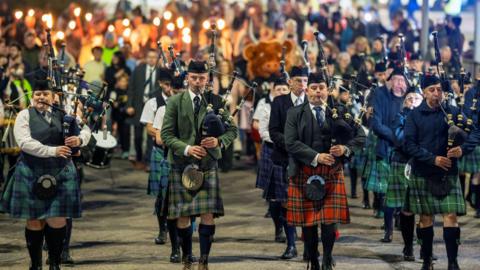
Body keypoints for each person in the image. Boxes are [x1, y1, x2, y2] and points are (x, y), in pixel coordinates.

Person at [0, 77, 91, 270]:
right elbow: (24, 142)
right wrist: (53, 150)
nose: (41, 97)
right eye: (37, 94)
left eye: (45, 94)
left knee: (57, 218)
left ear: (53, 97)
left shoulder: (65, 114)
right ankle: (36, 265)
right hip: (31, 171)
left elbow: (86, 129)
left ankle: (55, 263)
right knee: (34, 220)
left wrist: (80, 140)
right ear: (33, 97)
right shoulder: (25, 115)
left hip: (61, 171)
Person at [284, 72, 365, 270]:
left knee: (329, 223)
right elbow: (290, 143)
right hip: (304, 172)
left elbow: (361, 136)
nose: (318, 92)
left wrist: (345, 149)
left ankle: (327, 257)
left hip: (331, 172)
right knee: (309, 223)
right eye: (314, 88)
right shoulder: (294, 113)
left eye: (321, 88)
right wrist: (316, 156)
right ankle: (313, 261)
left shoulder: (340, 111)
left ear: (328, 91)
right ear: (307, 90)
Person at [161, 60, 237, 270]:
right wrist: (187, 148)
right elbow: (166, 135)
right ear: (187, 78)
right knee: (183, 216)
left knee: (207, 214)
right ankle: (187, 258)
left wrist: (219, 141)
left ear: (207, 79)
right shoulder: (175, 102)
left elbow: (232, 131)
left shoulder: (216, 101)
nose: (197, 82)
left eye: (202, 78)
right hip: (181, 164)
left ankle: (204, 260)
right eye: (194, 77)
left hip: (206, 164)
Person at [404, 74, 466, 270]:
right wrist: (433, 159)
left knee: (450, 216)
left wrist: (461, 143)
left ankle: (453, 263)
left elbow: (471, 133)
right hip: (424, 171)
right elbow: (409, 145)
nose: (436, 94)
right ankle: (427, 260)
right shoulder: (415, 115)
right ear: (424, 92)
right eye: (432, 90)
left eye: (439, 90)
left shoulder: (452, 112)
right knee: (425, 218)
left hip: (448, 173)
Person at [269, 66, 308, 260]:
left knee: (309, 201)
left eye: (305, 81)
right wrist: (292, 145)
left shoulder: (313, 101)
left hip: (308, 161)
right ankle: (291, 245)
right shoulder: (279, 102)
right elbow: (274, 130)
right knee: (286, 204)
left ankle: (309, 245)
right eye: (298, 80)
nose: (302, 85)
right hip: (284, 158)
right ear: (290, 82)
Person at [369, 67, 407, 240]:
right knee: (386, 191)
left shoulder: (411, 100)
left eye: (402, 80)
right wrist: (396, 137)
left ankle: (401, 220)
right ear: (390, 82)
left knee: (405, 189)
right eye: (396, 80)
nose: (399, 83)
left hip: (406, 153)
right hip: (386, 149)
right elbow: (376, 124)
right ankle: (388, 229)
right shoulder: (381, 95)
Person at [387, 88, 423, 261]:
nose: (413, 101)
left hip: (424, 165)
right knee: (407, 209)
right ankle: (408, 247)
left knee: (425, 209)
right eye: (410, 98)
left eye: (417, 98)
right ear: (404, 102)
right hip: (403, 164)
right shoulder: (399, 117)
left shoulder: (430, 117)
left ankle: (425, 247)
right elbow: (400, 139)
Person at [254, 77, 289, 243]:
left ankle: (291, 229)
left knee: (288, 196)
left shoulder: (292, 106)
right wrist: (282, 140)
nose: (281, 92)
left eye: (284, 89)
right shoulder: (266, 106)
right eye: (279, 90)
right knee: (275, 197)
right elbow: (262, 131)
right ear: (273, 91)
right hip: (271, 149)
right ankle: (278, 228)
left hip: (289, 151)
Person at [127, 49, 159, 170]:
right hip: (139, 106)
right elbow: (131, 88)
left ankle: (148, 161)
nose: (151, 59)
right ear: (146, 58)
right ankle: (139, 158)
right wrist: (129, 105)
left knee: (152, 135)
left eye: (154, 57)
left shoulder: (160, 71)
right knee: (138, 136)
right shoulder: (138, 70)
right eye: (149, 57)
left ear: (157, 59)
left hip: (154, 106)